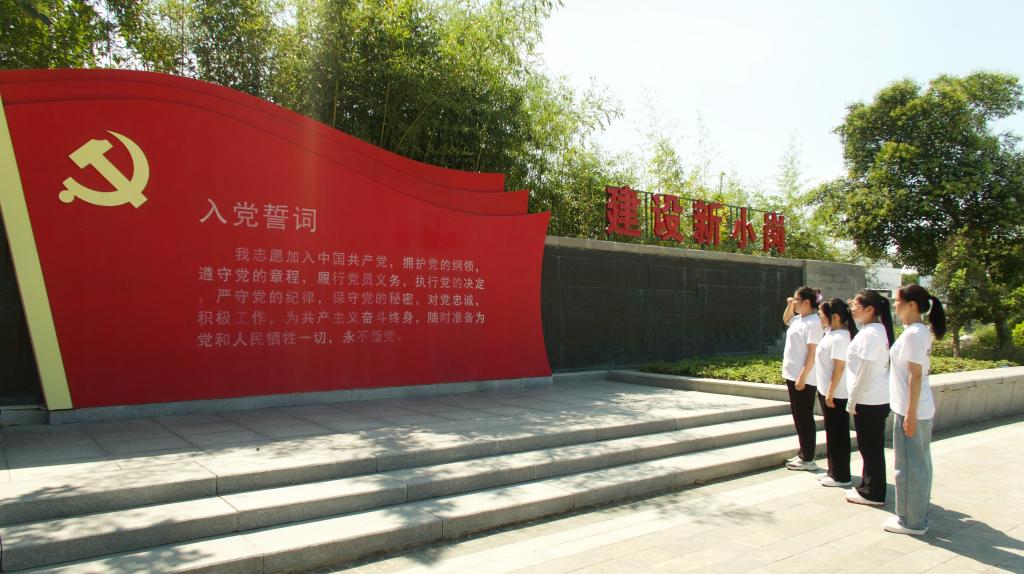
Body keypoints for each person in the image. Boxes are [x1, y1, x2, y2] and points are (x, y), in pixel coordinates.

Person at [884, 284, 946, 535]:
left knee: (910, 467)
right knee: (918, 464)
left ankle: (911, 521)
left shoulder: (913, 335)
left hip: (912, 410)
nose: (894, 304)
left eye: (898, 300)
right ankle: (914, 517)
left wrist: (909, 414)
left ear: (911, 305)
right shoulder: (918, 332)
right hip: (915, 408)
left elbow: (915, 375)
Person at [844, 289, 894, 506]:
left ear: (870, 309)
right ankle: (868, 486)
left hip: (868, 399)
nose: (852, 309)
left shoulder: (870, 334)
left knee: (870, 447)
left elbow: (864, 371)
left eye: (856, 305)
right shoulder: (875, 330)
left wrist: (852, 400)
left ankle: (873, 493)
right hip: (874, 398)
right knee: (871, 447)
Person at [781, 286, 825, 471]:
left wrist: (802, 376)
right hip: (792, 375)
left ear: (807, 302)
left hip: (804, 378)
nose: (794, 302)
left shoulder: (814, 323)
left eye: (797, 300)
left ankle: (808, 458)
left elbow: (812, 352)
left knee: (804, 417)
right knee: (798, 417)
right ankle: (803, 454)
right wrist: (790, 306)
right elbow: (786, 320)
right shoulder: (799, 319)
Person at [815, 298, 857, 488]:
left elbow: (839, 367)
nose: (820, 317)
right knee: (832, 434)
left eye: (822, 314)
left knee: (838, 434)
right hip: (828, 392)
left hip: (837, 394)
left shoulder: (840, 337)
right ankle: (833, 472)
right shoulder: (832, 334)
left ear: (836, 317)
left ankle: (841, 475)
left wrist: (830, 392)